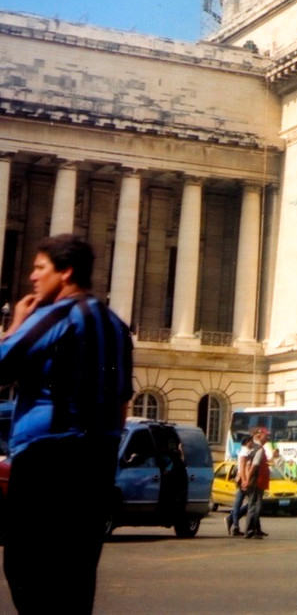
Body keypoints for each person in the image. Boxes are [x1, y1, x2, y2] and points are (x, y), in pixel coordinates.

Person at [0, 233, 134, 614]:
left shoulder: (55, 316)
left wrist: (15, 325)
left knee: (28, 566)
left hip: (47, 457)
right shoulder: (116, 326)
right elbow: (122, 400)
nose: (31, 277)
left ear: (66, 272)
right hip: (99, 458)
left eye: (40, 268)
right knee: (76, 572)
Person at [242, 426, 272, 538]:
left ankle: (255, 530)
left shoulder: (253, 447)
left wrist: (246, 479)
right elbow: (252, 465)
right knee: (255, 506)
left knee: (253, 505)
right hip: (256, 482)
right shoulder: (259, 449)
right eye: (266, 435)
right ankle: (250, 531)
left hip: (256, 481)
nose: (267, 438)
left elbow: (247, 464)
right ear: (259, 435)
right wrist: (247, 480)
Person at [227, 433, 255, 535]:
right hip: (242, 480)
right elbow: (242, 468)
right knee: (248, 503)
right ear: (247, 442)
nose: (252, 443)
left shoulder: (248, 451)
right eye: (251, 441)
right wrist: (244, 481)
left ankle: (233, 522)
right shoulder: (244, 452)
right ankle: (234, 524)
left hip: (244, 480)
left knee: (241, 503)